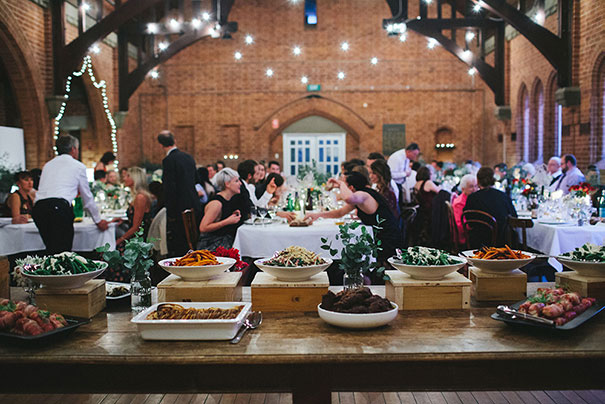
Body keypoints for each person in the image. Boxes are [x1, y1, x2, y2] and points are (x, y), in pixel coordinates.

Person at [33, 135, 109, 254]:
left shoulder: (48, 165)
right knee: (63, 253)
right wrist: (98, 220)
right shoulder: (78, 166)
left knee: (51, 251)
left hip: (39, 208)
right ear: (73, 149)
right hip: (58, 208)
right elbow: (87, 197)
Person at [304, 172, 402, 262]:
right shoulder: (361, 196)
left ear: (351, 187)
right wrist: (317, 215)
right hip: (380, 237)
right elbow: (340, 213)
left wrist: (341, 183)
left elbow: (348, 198)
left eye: (345, 186)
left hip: (387, 240)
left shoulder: (363, 195)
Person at [158, 130, 202, 256]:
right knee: (193, 240)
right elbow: (196, 180)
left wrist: (170, 211)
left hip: (178, 207)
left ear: (161, 145)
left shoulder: (168, 160)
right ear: (175, 141)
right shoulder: (188, 157)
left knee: (181, 243)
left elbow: (169, 187)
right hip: (194, 203)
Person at [464, 166, 517, 247]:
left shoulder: (472, 198)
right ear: (493, 179)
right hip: (501, 242)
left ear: (478, 181)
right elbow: (514, 216)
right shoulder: (503, 196)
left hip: (477, 243)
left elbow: (470, 222)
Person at [197, 168, 244, 250]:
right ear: (227, 184)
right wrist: (227, 221)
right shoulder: (216, 204)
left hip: (222, 240)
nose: (240, 183)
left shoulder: (227, 199)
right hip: (211, 244)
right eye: (236, 181)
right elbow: (203, 228)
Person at [115, 167, 152, 246]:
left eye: (128, 176)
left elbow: (136, 228)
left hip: (139, 240)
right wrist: (123, 220)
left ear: (135, 179)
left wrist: (118, 241)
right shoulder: (138, 196)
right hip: (135, 234)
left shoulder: (140, 197)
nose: (124, 178)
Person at [412, 166, 441, 246]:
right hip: (430, 212)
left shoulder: (416, 184)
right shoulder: (428, 183)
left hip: (421, 211)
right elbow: (439, 191)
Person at [451, 174, 478, 246]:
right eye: (471, 187)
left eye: (476, 186)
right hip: (465, 237)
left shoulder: (472, 199)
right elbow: (460, 224)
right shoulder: (460, 203)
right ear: (463, 189)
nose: (474, 189)